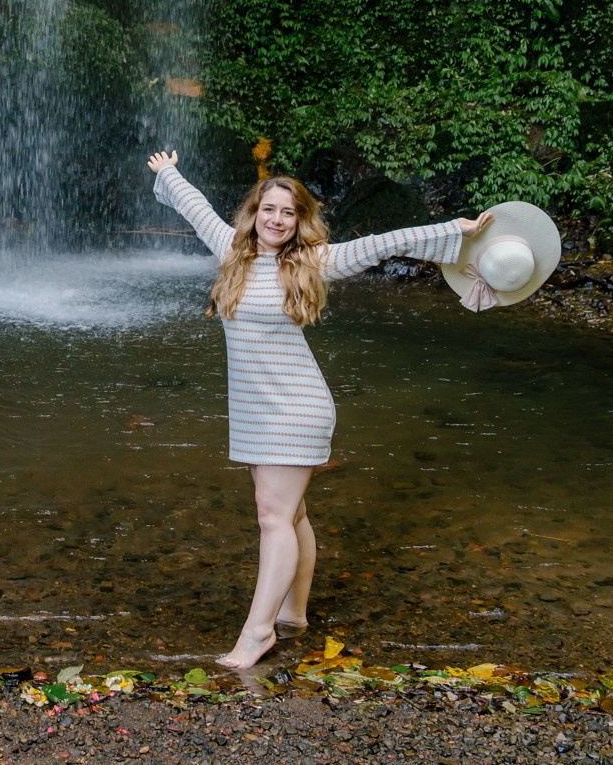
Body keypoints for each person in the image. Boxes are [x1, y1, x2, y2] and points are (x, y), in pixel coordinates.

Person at [145, 149, 494, 669]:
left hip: (297, 406)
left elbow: (384, 244)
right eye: (269, 210)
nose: (277, 219)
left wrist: (456, 230)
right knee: (293, 513)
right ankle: (294, 614)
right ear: (255, 212)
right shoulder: (232, 252)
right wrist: (168, 173)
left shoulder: (313, 261)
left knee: (273, 515)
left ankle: (257, 633)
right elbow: (195, 209)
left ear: (299, 220)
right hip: (254, 408)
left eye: (288, 213)